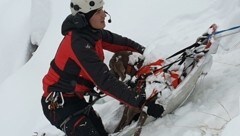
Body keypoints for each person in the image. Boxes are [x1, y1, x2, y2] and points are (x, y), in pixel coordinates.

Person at [41, 0, 148, 135]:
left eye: (102, 9)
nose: (104, 14)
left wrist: (147, 52)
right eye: (98, 11)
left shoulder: (93, 33)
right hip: (58, 106)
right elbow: (104, 81)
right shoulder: (78, 44)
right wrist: (141, 102)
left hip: (75, 99)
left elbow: (121, 43)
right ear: (83, 19)